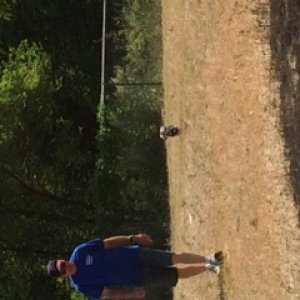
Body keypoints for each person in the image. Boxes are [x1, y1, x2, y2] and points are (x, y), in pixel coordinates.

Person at [47, 234, 223, 299]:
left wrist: (133, 238)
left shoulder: (80, 252)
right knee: (175, 276)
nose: (65, 267)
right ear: (63, 276)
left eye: (62, 264)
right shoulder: (81, 284)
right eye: (62, 271)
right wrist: (130, 294)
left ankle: (209, 258)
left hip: (134, 255)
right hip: (136, 278)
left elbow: (108, 243)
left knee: (173, 258)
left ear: (61, 259)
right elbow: (108, 293)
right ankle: (208, 267)